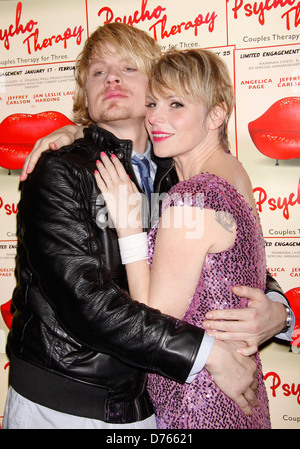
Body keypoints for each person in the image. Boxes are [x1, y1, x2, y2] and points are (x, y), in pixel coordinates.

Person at [6, 23, 292, 429]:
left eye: (127, 68)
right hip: (66, 401)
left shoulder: (177, 169)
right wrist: (208, 354)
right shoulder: (59, 170)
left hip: (151, 402)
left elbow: (229, 262)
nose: (112, 78)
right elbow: (85, 303)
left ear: (154, 84)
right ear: (84, 95)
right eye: (98, 72)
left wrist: (278, 312)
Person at [93, 48, 272, 428]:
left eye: (176, 104)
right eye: (153, 102)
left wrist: (128, 226)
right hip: (236, 395)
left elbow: (151, 318)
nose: (156, 117)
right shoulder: (235, 173)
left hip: (198, 404)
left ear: (218, 113)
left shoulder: (193, 197)